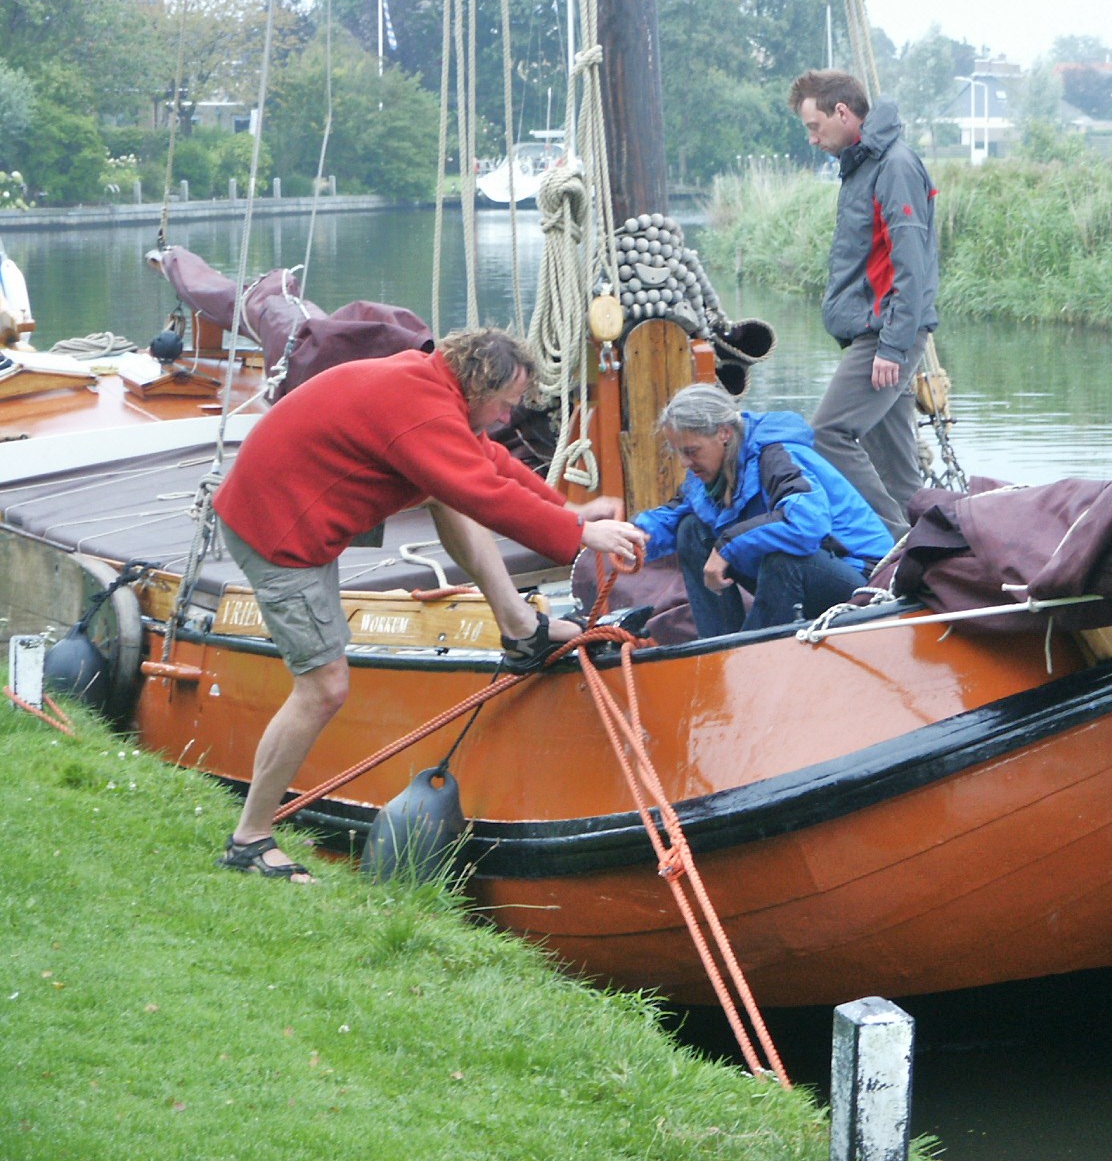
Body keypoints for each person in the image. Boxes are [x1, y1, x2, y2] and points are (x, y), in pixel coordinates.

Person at [210, 326, 646, 881]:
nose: (508, 419)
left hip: (293, 500)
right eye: (507, 404)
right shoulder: (419, 408)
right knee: (323, 687)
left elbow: (488, 462)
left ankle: (520, 628)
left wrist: (567, 513)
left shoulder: (433, 390)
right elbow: (484, 491)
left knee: (448, 489)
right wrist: (579, 537)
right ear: (478, 386)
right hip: (277, 527)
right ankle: (249, 841)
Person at [788, 68, 939, 541]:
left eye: (815, 127)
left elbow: (910, 263)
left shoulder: (893, 166)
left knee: (828, 434)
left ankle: (893, 546)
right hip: (875, 331)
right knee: (896, 466)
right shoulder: (863, 167)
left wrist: (892, 348)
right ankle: (927, 547)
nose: (813, 140)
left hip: (886, 335)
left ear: (842, 112)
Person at [633, 383, 893, 638]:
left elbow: (806, 525)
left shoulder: (777, 456)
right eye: (677, 451)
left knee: (783, 560)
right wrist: (628, 537)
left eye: (691, 451)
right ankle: (719, 646)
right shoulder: (706, 475)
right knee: (690, 529)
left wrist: (727, 545)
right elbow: (669, 517)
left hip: (862, 579)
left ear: (724, 433)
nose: (684, 463)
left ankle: (749, 655)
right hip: (795, 578)